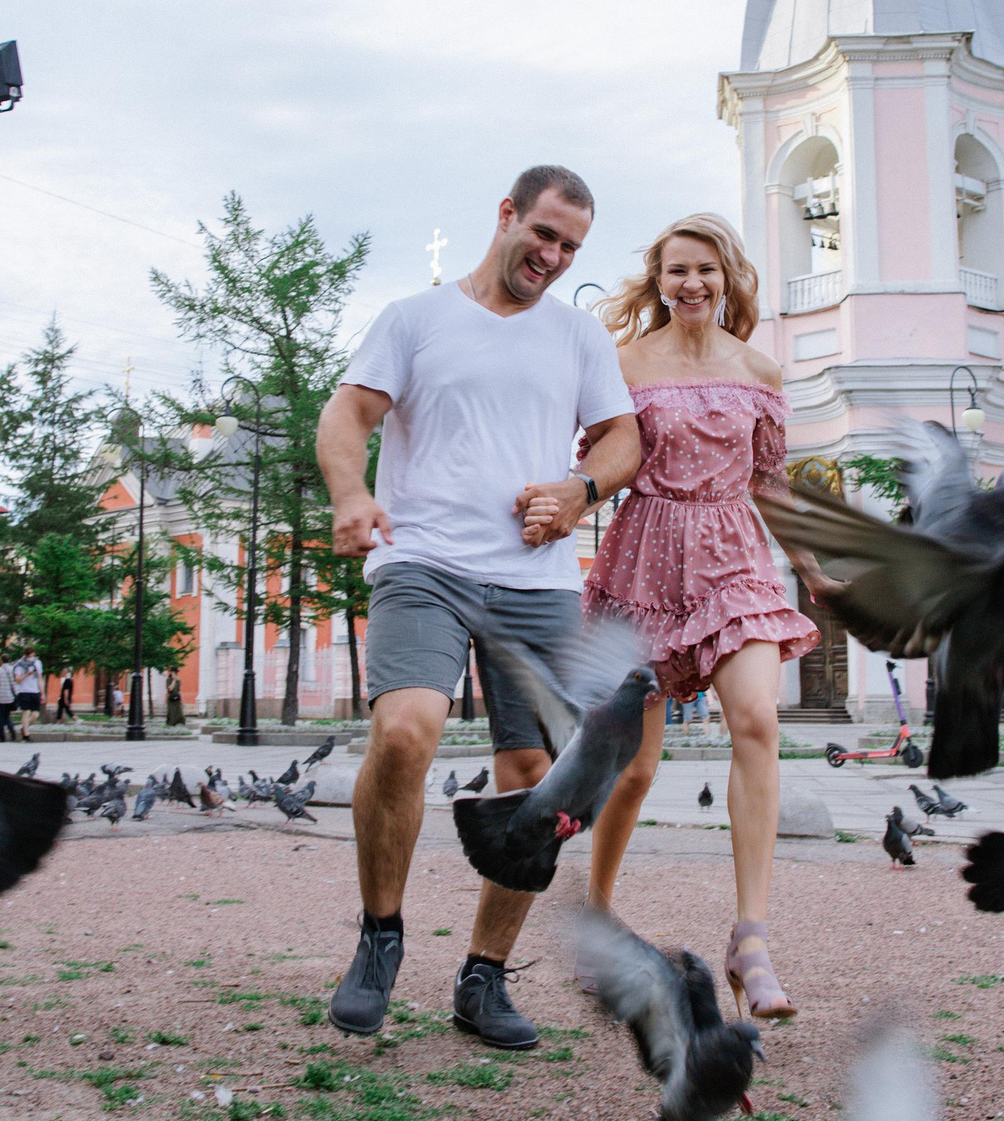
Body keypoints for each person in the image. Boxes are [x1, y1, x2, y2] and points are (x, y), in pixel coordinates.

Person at [317, 164, 642, 1049]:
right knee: (405, 731)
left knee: (541, 781)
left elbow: (625, 438)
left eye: (570, 246)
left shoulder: (578, 336)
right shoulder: (415, 320)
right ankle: (380, 935)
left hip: (536, 579)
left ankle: (484, 976)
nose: (553, 255)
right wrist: (351, 493)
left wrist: (579, 489)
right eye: (542, 234)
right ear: (505, 215)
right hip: (421, 559)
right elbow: (346, 415)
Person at [573, 214, 818, 1019]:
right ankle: (600, 920)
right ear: (658, 280)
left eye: (705, 269)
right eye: (677, 270)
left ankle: (752, 938)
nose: (692, 284)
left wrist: (814, 567)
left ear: (728, 276)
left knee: (755, 719)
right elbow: (599, 461)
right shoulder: (624, 365)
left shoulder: (759, 371)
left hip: (734, 557)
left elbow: (772, 484)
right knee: (634, 768)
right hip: (645, 556)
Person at [11, 649, 46, 739]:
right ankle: (26, 735)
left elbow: (40, 678)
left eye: (33, 655)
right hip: (24, 691)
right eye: (30, 656)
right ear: (26, 655)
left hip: (35, 691)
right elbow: (17, 680)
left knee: (35, 714)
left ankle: (24, 728)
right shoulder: (19, 665)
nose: (32, 658)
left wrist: (42, 693)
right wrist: (27, 674)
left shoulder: (37, 663)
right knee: (26, 712)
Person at [0, 660, 19, 745]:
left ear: (1, 661)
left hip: (0, 697)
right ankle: (12, 730)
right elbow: (15, 683)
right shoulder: (12, 669)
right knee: (6, 716)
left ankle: (2, 737)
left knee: (0, 717)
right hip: (10, 697)